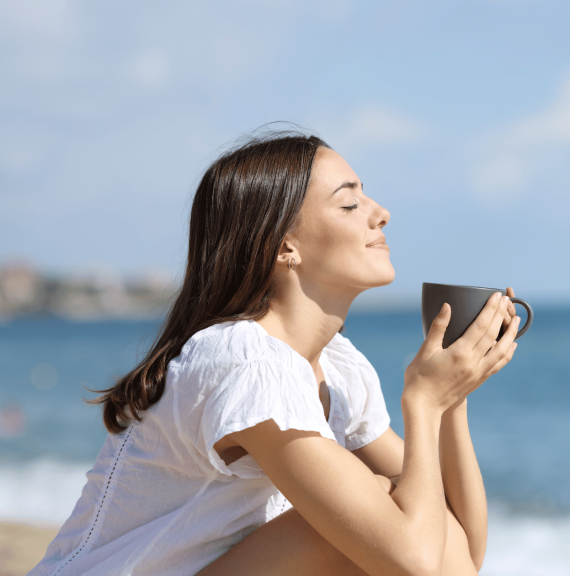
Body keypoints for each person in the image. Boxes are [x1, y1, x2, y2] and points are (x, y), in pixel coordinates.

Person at [29, 130, 520, 576]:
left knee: (388, 512)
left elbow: (461, 555)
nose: (380, 212)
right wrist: (424, 405)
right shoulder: (246, 363)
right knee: (365, 519)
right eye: (349, 205)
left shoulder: (337, 369)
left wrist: (453, 396)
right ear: (285, 247)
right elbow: (414, 562)